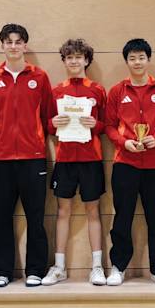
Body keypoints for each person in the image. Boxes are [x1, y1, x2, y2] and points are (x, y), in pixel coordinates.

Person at [0, 24, 55, 287]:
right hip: (0, 159)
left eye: (18, 41)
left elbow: (48, 116)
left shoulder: (40, 77)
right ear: (2, 45)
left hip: (33, 157)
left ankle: (36, 270)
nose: (13, 46)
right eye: (9, 42)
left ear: (25, 45)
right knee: (0, 217)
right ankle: (2, 271)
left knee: (36, 217)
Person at [104, 38, 155, 287]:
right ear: (126, 61)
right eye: (132, 58)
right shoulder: (117, 91)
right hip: (125, 163)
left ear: (148, 60)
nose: (137, 62)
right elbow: (109, 126)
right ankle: (118, 267)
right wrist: (123, 143)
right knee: (122, 217)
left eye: (141, 57)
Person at [42, 39, 108, 286]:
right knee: (63, 211)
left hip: (91, 158)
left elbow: (106, 124)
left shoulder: (98, 90)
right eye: (69, 57)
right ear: (64, 61)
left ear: (86, 60)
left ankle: (97, 267)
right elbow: (48, 125)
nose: (74, 61)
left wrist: (96, 125)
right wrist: (53, 124)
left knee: (93, 211)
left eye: (78, 57)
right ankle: (59, 267)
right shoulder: (56, 91)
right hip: (65, 159)